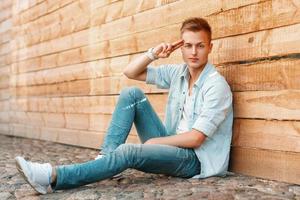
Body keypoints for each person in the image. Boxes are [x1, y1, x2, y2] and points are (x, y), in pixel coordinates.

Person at [15, 17, 233, 194]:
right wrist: (153, 54)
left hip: (194, 160)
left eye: (200, 46)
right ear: (181, 48)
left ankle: (52, 176)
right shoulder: (179, 73)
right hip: (170, 144)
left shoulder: (216, 85)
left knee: (128, 152)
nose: (194, 52)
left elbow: (196, 138)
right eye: (188, 46)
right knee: (132, 94)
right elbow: (131, 73)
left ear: (210, 47)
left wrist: (157, 141)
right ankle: (107, 159)